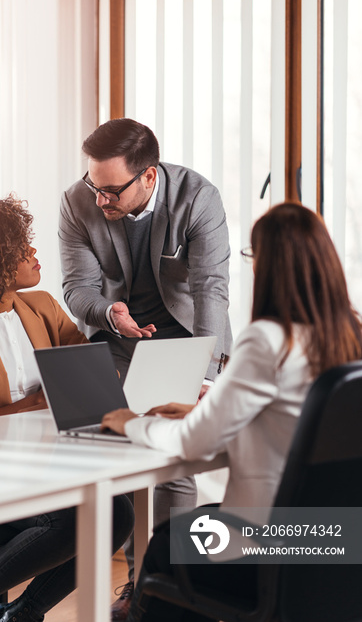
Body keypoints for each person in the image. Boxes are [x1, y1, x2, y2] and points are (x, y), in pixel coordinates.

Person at [101, 202, 362, 622]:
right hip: (337, 541)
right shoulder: (350, 335)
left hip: (271, 546)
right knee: (197, 525)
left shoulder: (268, 339)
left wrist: (134, 423)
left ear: (269, 265)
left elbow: (192, 443)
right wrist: (202, 412)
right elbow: (293, 424)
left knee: (168, 544)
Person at [0, 196, 134, 622]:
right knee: (70, 520)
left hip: (48, 461)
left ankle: (18, 615)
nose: (35, 255)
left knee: (118, 510)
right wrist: (37, 404)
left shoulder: (43, 306)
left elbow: (88, 378)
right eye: (22, 250)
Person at [59, 118, 232, 618]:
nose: (99, 200)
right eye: (94, 185)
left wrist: (205, 377)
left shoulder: (197, 198)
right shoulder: (78, 200)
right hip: (118, 338)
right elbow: (77, 288)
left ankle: (177, 585)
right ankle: (138, 587)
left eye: (111, 191)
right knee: (125, 458)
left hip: (186, 339)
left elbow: (210, 291)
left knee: (175, 465)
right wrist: (108, 312)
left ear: (149, 177)